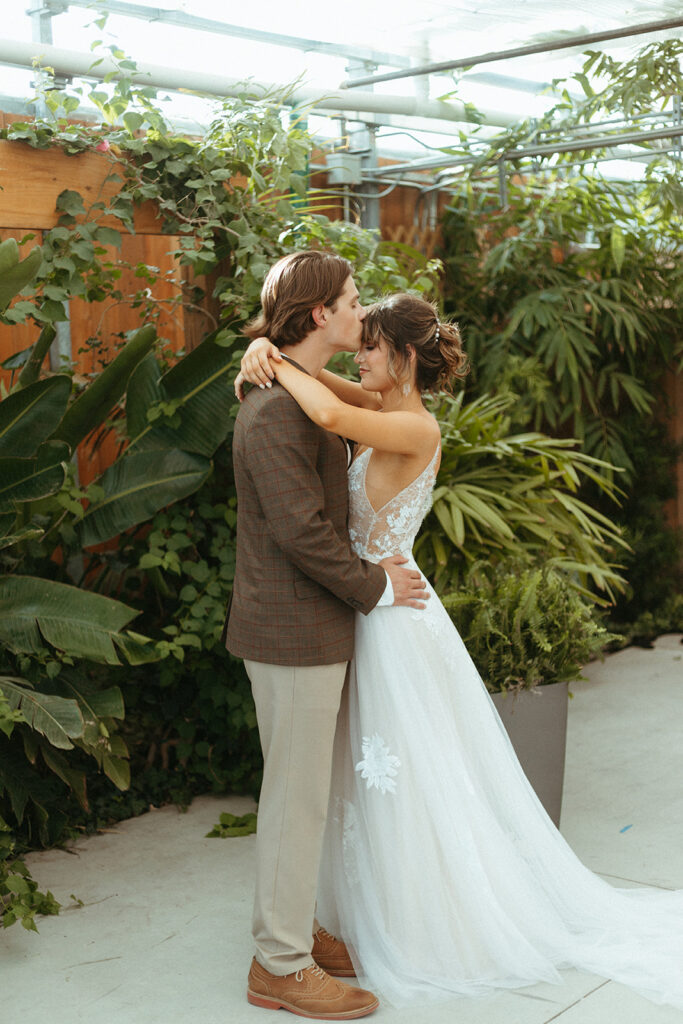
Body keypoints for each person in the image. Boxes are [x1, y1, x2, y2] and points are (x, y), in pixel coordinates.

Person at [238, 290, 683, 1012]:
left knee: (407, 775)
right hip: (371, 606)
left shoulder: (411, 425)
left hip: (391, 619)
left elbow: (323, 411)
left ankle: (420, 921)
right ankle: (338, 922)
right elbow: (323, 385)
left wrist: (268, 359)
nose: (360, 354)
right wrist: (275, 356)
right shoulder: (385, 405)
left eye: (373, 346)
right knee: (361, 775)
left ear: (404, 357)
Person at [224, 251, 430, 1020]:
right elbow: (302, 534)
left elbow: (340, 413)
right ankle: (279, 963)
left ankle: (290, 928)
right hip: (291, 630)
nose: (357, 310)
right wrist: (375, 585)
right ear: (320, 315)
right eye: (349, 300)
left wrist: (269, 354)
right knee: (294, 799)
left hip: (311, 626)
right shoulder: (274, 410)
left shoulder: (290, 393)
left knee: (305, 794)